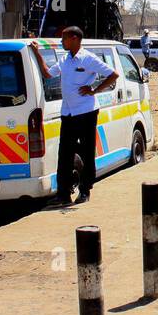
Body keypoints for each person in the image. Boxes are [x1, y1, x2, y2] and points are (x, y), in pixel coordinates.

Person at [29, 27, 117, 206]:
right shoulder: (65, 59)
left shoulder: (88, 58)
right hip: (68, 112)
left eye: (64, 38)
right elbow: (48, 73)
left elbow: (113, 74)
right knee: (65, 153)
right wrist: (37, 53)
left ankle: (85, 190)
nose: (62, 42)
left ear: (75, 39)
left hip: (85, 112)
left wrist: (94, 90)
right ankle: (63, 194)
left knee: (86, 151)